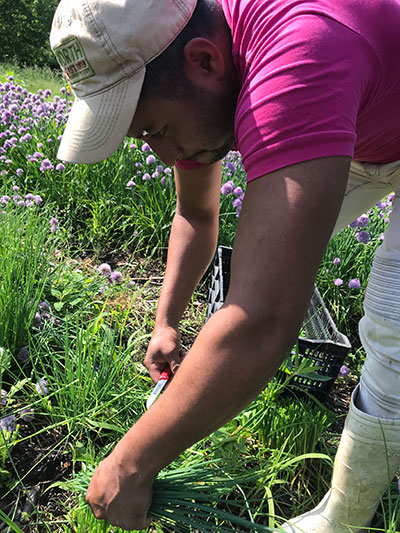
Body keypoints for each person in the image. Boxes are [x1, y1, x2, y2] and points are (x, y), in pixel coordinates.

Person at [50, 0, 400, 530]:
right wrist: (166, 322)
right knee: (265, 265)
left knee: (391, 329)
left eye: (155, 129)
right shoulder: (198, 67)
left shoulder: (300, 52)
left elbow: (262, 321)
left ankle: (343, 520)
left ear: (205, 62)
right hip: (369, 117)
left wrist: (131, 464)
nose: (166, 155)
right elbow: (196, 209)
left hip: (368, 101)